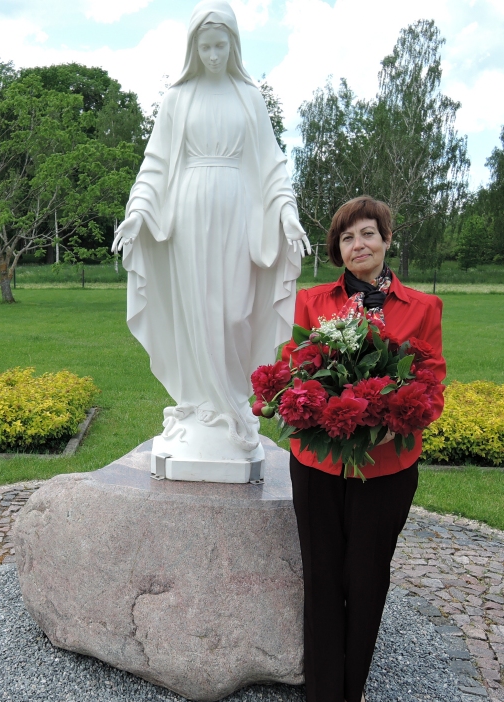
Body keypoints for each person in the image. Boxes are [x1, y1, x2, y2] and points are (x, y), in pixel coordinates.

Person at [112, 0, 309, 466]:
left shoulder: (249, 97)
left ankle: (231, 404)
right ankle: (201, 408)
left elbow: (271, 162)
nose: (215, 54)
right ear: (194, 47)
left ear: (234, 45)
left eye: (222, 45)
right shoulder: (178, 99)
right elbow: (156, 163)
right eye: (207, 45)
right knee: (195, 309)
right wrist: (138, 211)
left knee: (235, 313)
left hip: (239, 212)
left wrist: (286, 212)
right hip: (188, 216)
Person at [281, 196, 446, 702]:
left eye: (368, 233)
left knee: (366, 574)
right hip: (318, 464)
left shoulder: (422, 307)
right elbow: (295, 371)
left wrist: (388, 408)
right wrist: (321, 405)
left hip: (387, 466)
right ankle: (322, 697)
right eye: (348, 238)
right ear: (337, 249)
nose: (359, 245)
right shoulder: (312, 302)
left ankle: (355, 691)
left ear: (386, 240)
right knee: (323, 572)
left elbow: (431, 384)